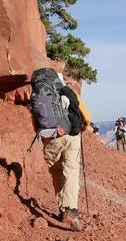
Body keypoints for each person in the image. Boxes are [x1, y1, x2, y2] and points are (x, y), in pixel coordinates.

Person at [35, 72, 91, 231]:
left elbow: (37, 120)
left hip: (52, 137)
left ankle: (62, 210)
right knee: (72, 172)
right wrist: (82, 127)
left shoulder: (41, 94)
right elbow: (86, 117)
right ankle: (71, 211)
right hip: (73, 136)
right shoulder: (69, 92)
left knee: (57, 171)